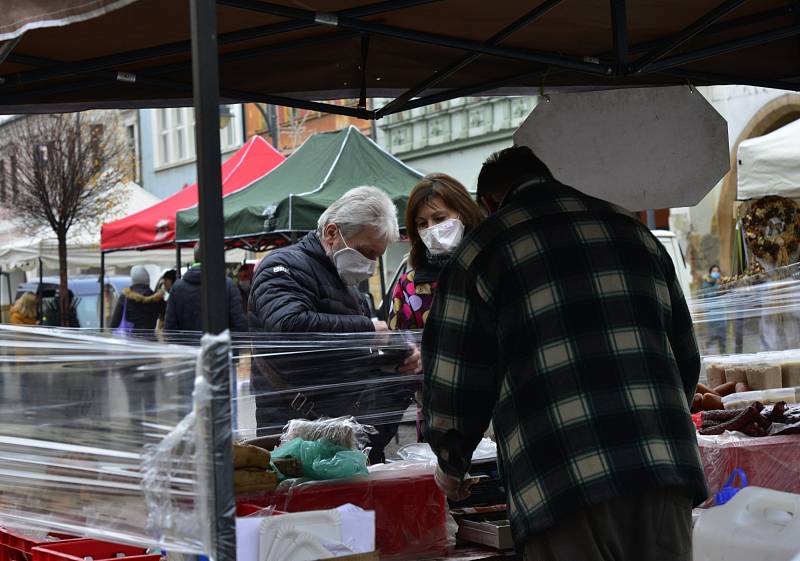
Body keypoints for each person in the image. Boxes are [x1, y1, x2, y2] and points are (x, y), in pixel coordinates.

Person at [422, 146, 707, 561]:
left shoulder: (483, 252)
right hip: (663, 474)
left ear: (489, 203)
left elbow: (456, 381)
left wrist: (450, 462)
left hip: (561, 482)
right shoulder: (634, 232)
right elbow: (685, 357)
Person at [249, 186, 421, 462]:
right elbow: (288, 325)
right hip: (292, 430)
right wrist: (367, 330)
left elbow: (346, 353)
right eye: (367, 252)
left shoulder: (347, 284)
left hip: (336, 428)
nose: (370, 265)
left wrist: (397, 358)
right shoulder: (281, 267)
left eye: (377, 256)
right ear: (332, 233)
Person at [388, 173, 483, 330]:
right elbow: (400, 347)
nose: (431, 228)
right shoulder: (408, 287)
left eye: (439, 218)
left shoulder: (492, 269)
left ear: (464, 214)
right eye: (422, 223)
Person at [164, 244, 248, 333]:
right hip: (220, 345)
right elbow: (239, 325)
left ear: (195, 257)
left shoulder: (177, 288)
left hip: (185, 346)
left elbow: (169, 329)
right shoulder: (228, 285)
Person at [110, 266, 165, 331]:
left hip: (131, 339)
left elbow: (114, 325)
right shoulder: (157, 298)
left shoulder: (125, 297)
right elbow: (166, 317)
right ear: (148, 279)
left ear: (133, 279)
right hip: (151, 339)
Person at [702, 264, 727, 354]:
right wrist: (717, 286)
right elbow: (707, 294)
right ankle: (707, 346)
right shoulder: (706, 282)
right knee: (713, 335)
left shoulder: (722, 281)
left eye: (717, 271)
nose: (716, 273)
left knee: (723, 336)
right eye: (714, 271)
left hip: (721, 313)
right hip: (712, 314)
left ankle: (723, 354)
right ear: (710, 273)